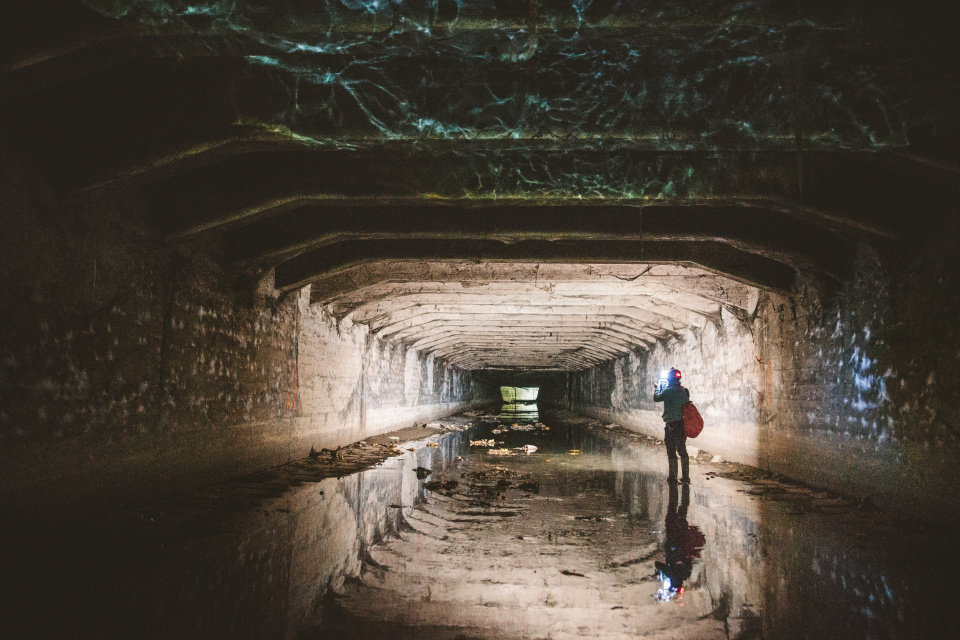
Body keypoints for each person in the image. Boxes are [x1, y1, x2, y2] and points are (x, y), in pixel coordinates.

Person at [653, 367, 690, 484]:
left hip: (671, 426)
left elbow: (656, 398)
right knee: (682, 450)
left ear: (669, 379)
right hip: (681, 425)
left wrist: (658, 387)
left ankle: (673, 477)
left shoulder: (668, 391)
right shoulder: (685, 391)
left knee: (671, 451)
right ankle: (686, 477)